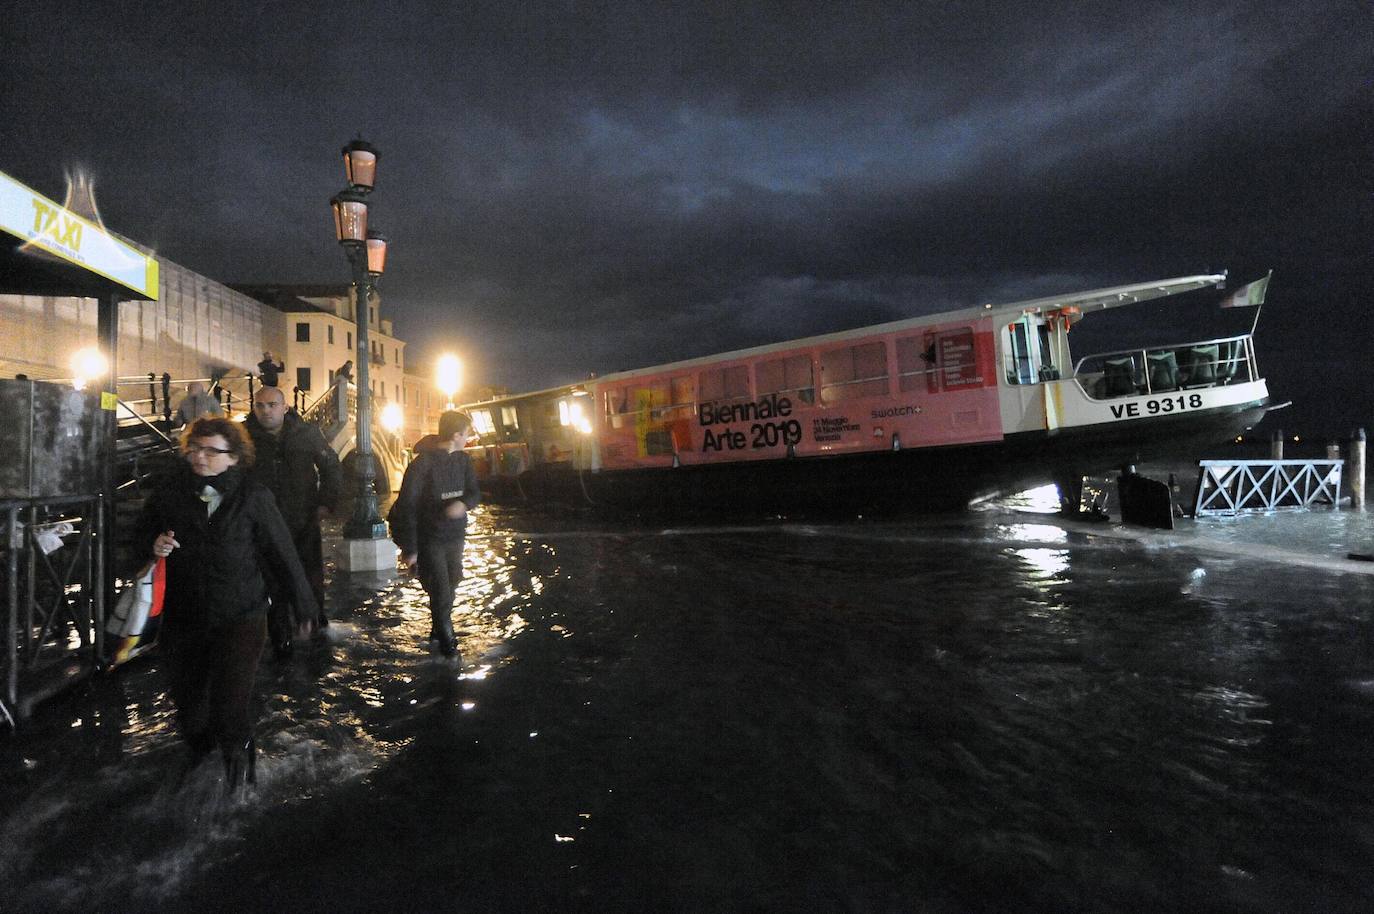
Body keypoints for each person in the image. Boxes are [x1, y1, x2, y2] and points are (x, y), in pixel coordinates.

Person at [135, 416, 317, 789]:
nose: (200, 457)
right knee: (190, 711)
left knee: (230, 707)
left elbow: (283, 553)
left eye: (211, 450)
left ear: (233, 457)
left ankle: (240, 785)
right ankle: (201, 764)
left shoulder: (252, 497)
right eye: (195, 448)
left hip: (241, 616)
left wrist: (304, 606)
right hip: (184, 617)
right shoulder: (170, 493)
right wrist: (153, 547)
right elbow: (138, 538)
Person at [244, 385, 341, 657]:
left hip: (302, 520)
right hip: (262, 526)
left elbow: (331, 466)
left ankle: (316, 627)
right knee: (271, 582)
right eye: (260, 406)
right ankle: (281, 638)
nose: (266, 411)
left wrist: (325, 503)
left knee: (310, 576)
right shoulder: (244, 437)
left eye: (272, 405)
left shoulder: (306, 434)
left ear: (285, 407)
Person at [390, 411, 480, 658]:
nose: (468, 439)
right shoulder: (422, 464)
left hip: (456, 536)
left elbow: (474, 492)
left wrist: (463, 504)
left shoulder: (464, 461)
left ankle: (437, 629)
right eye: (466, 434)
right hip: (430, 537)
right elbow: (407, 505)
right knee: (440, 589)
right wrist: (410, 549)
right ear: (455, 435)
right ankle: (448, 645)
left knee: (453, 582)